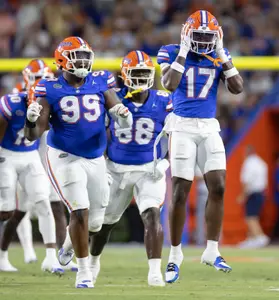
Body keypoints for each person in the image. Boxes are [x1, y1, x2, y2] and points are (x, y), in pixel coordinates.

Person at [24, 36, 133, 288]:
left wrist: (121, 114)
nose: (83, 62)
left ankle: (69, 244)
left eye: (86, 56)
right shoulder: (49, 88)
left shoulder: (99, 80)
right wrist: (30, 120)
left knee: (95, 222)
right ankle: (83, 272)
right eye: (77, 57)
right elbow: (33, 135)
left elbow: (118, 113)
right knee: (79, 210)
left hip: (95, 157)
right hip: (65, 156)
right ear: (63, 60)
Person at [157, 10, 243, 283]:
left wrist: (224, 56)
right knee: (181, 190)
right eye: (198, 36)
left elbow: (238, 87)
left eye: (209, 36)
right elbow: (169, 84)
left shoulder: (219, 53)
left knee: (218, 185)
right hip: (181, 125)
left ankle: (212, 250)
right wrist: (183, 52)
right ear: (186, 34)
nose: (204, 41)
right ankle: (174, 255)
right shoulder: (170, 51)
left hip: (208, 125)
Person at [89, 50, 172, 287]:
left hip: (149, 169)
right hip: (116, 169)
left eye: (145, 73)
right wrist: (100, 160)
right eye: (136, 73)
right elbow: (98, 133)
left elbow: (176, 134)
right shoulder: (112, 98)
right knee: (105, 223)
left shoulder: (165, 100)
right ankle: (94, 261)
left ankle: (155, 271)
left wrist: (166, 160)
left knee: (152, 214)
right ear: (125, 75)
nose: (141, 78)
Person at [1, 59, 77, 271]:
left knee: (47, 205)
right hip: (8, 155)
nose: (40, 84)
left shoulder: (54, 98)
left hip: (35, 156)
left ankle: (53, 256)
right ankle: (5, 254)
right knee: (10, 211)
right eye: (36, 80)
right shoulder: (14, 99)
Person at [237, 146, 269, 248]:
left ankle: (260, 237)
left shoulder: (249, 163)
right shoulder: (261, 163)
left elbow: (247, 180)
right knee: (254, 215)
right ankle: (251, 239)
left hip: (253, 193)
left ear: (246, 153)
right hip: (261, 192)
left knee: (251, 217)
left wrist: (242, 195)